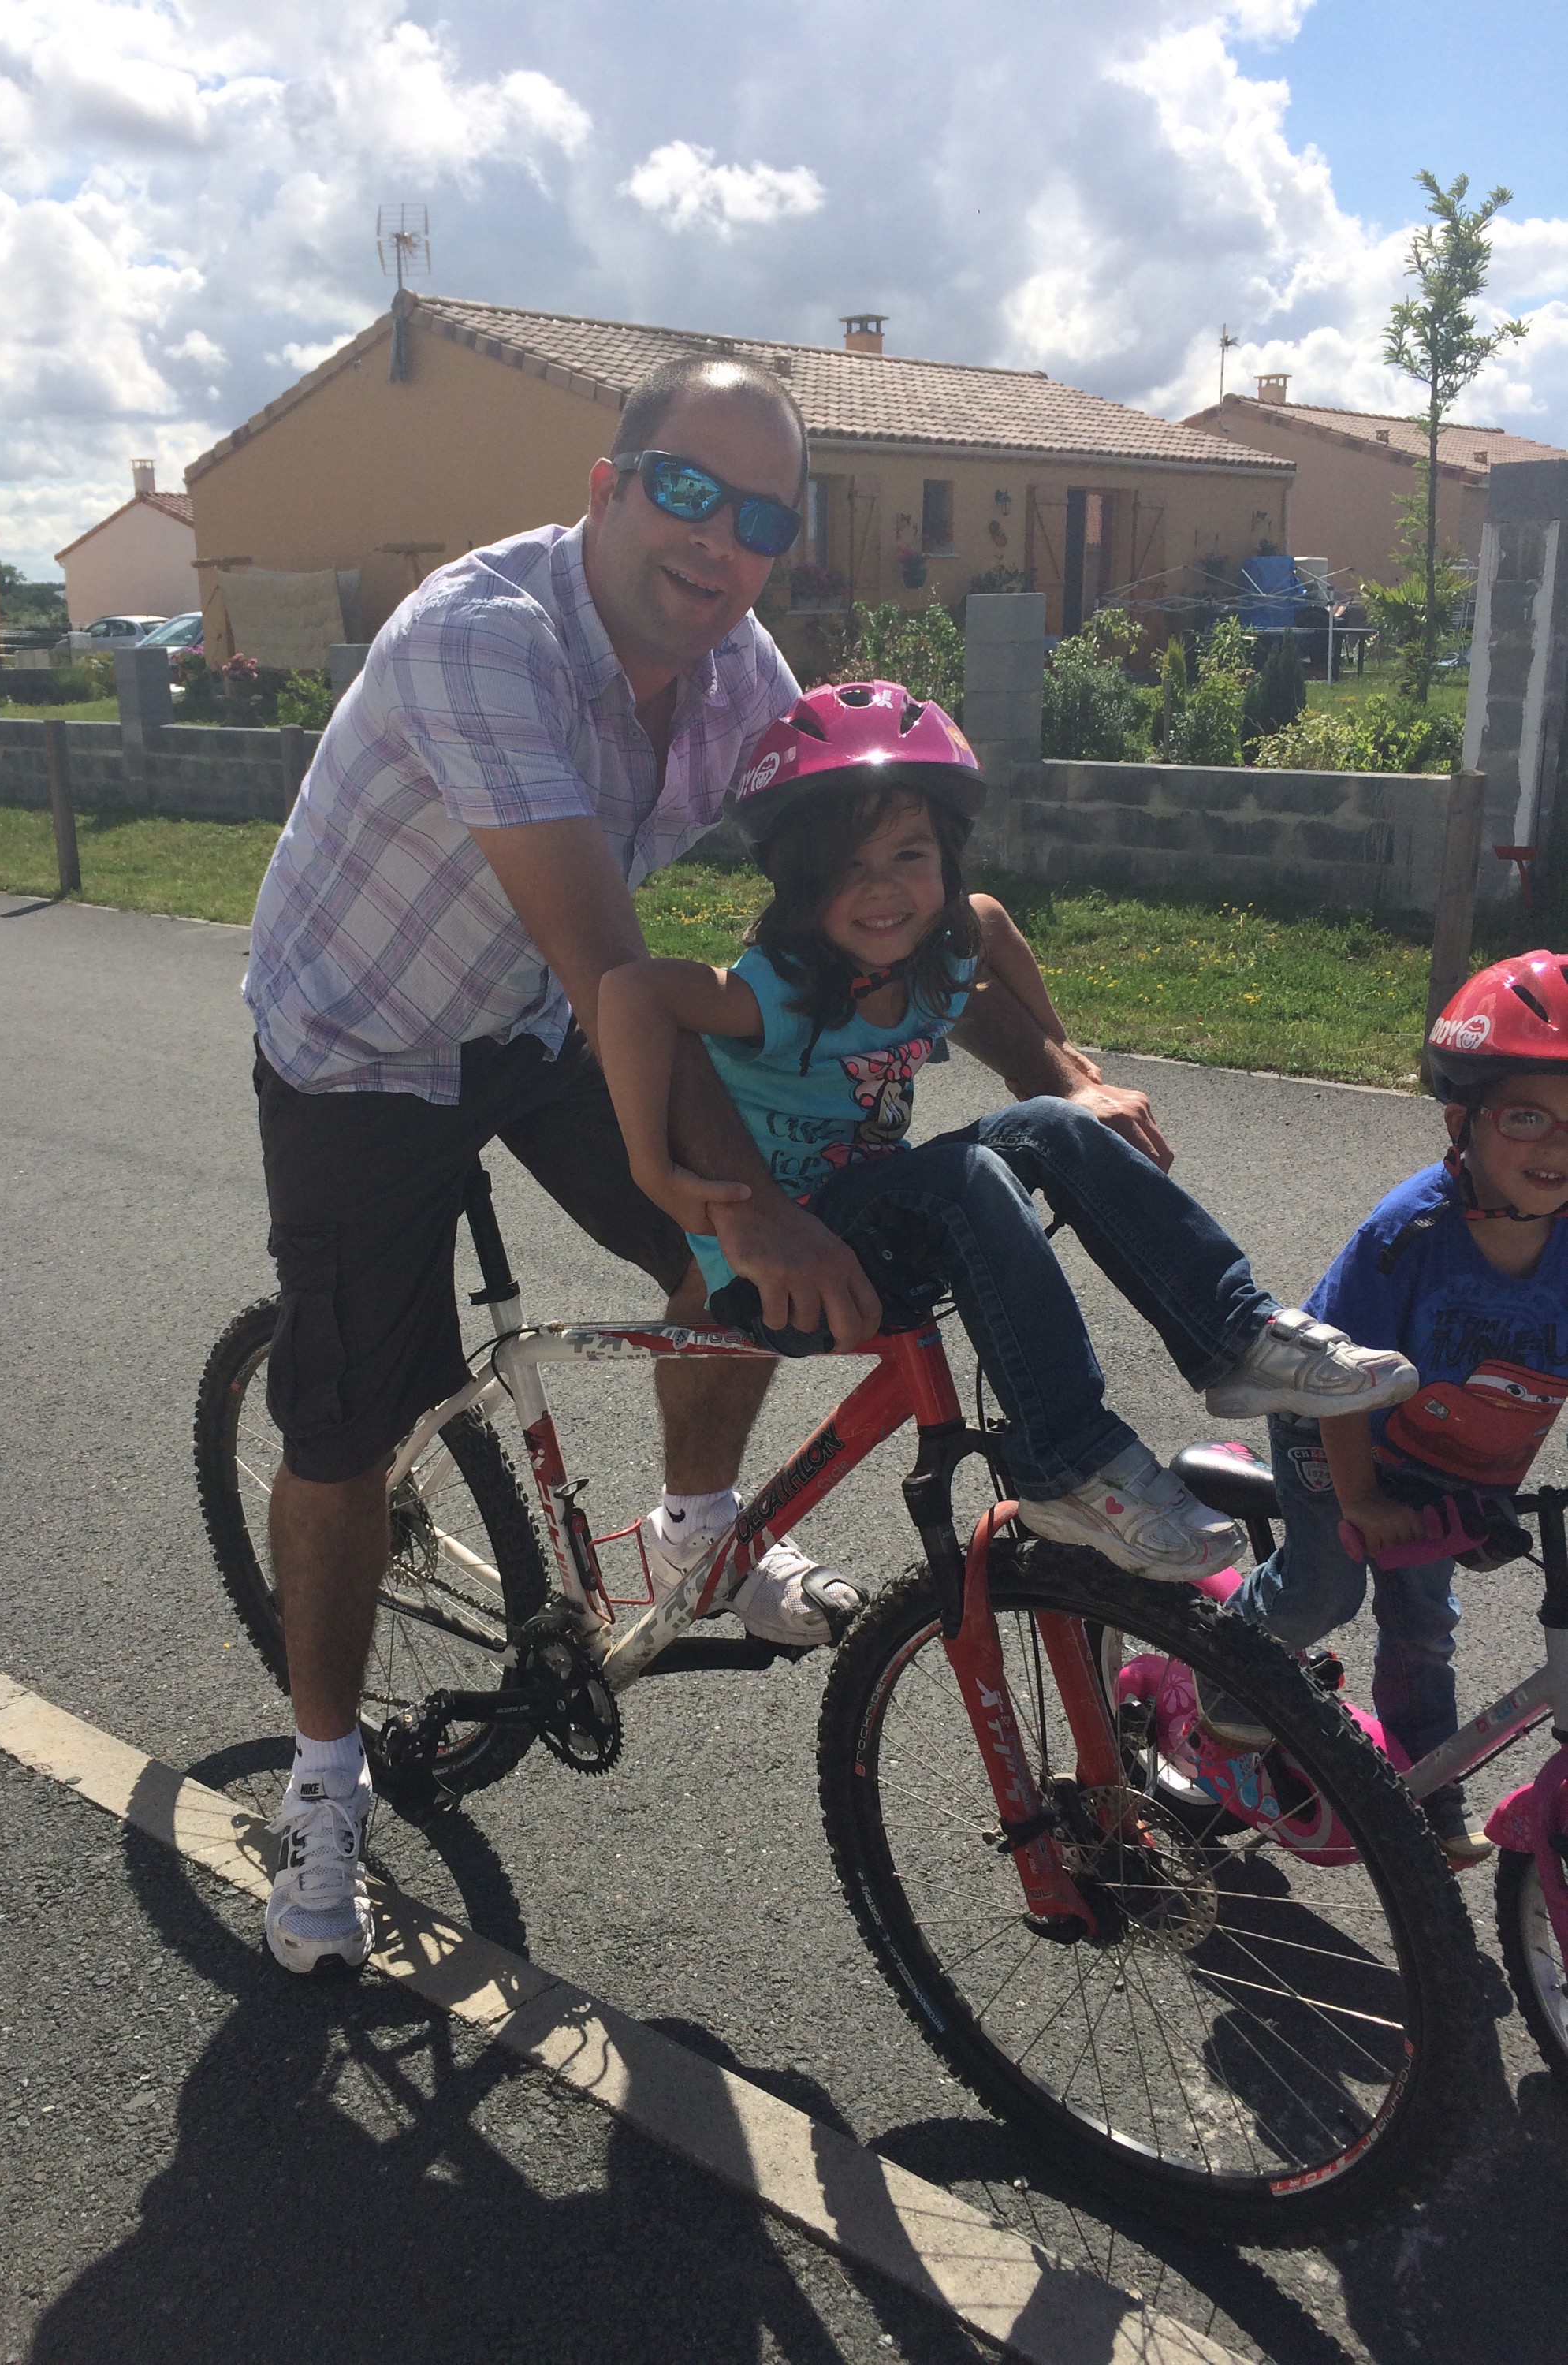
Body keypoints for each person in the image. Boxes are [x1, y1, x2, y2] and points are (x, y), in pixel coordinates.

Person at [241, 358, 1175, 1976]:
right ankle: (324, 1776)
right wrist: (757, 1199)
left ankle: (693, 1526)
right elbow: (611, 954)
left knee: (727, 1270)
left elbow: (861, 907)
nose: (720, 539)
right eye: (686, 489)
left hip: (544, 1017)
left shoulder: (742, 673)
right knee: (351, 1423)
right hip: (364, 1039)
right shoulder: (485, 639)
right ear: (607, 488)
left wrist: (1057, 1067)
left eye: (763, 517)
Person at [594, 679, 1417, 1588]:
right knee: (967, 1178)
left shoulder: (936, 957)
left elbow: (987, 921)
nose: (882, 888)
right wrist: (653, 1170)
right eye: (845, 867)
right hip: (782, 1271)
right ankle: (1068, 1467)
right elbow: (632, 991)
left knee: (1053, 1125)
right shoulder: (781, 988)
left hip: (875, 1224)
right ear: (797, 882)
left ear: (946, 854)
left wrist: (1072, 1071)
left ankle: (1236, 1338)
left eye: (910, 854)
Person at [1197, 951, 1568, 1868]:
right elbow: (1338, 1378)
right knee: (1328, 1584)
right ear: (1461, 1122)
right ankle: (1226, 1682)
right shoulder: (1410, 1232)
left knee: (1423, 1624)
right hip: (1334, 1418)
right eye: (1527, 1117)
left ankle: (1430, 1794)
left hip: (1449, 1454)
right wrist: (1361, 1500)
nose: (1557, 1148)